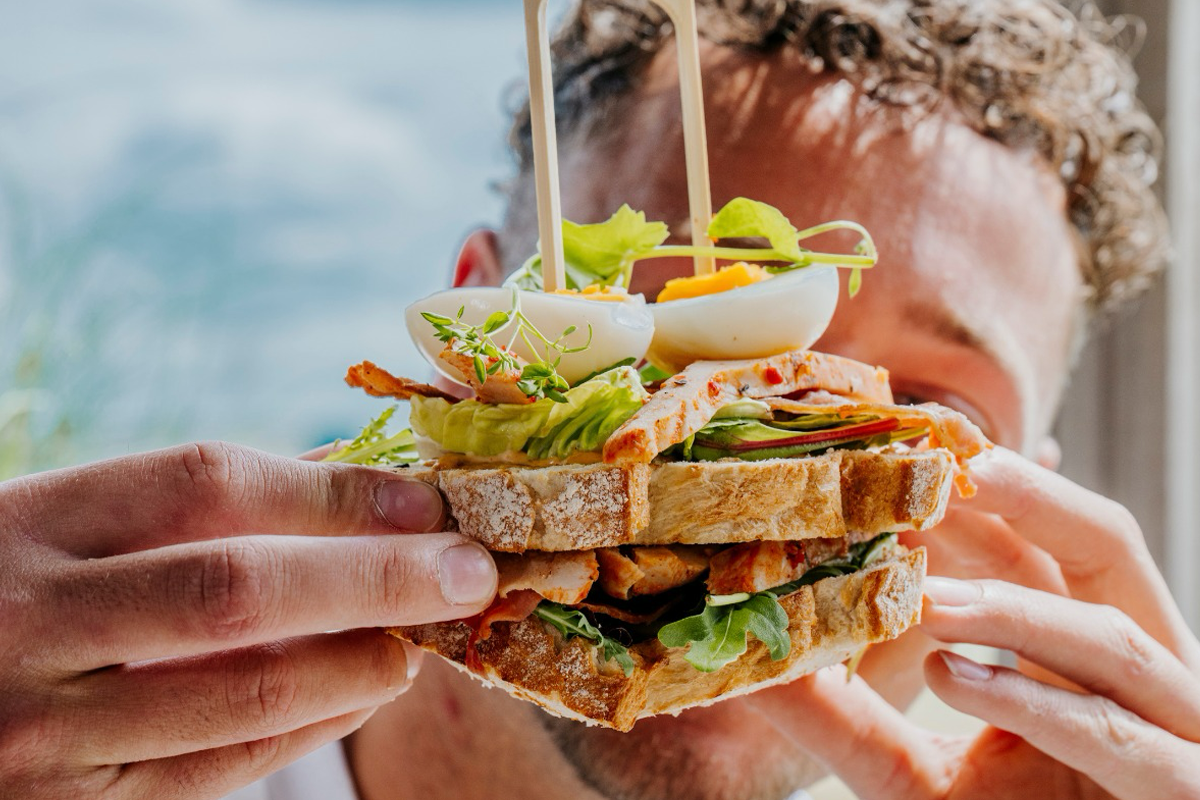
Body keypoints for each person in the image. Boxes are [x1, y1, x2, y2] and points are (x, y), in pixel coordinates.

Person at [0, 2, 1196, 799]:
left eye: (928, 403)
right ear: (474, 334)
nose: (746, 514)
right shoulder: (91, 750)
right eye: (651, 330)